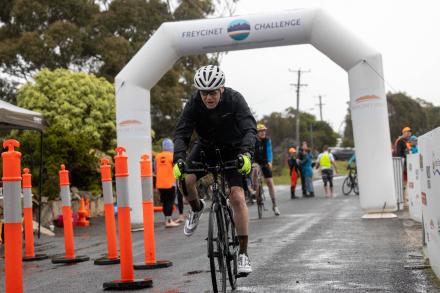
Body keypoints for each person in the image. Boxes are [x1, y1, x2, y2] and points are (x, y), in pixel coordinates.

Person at [173, 65, 256, 275]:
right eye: (203, 93)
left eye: (212, 92)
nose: (208, 97)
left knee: (237, 198)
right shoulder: (193, 103)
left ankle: (244, 254)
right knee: (186, 180)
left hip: (234, 150)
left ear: (221, 89)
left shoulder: (235, 99)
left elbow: (249, 128)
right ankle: (197, 208)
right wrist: (179, 159)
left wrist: (246, 154)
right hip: (206, 147)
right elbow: (182, 133)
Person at [253, 123, 280, 216]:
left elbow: (269, 151)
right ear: (257, 133)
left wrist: (270, 161)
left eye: (264, 131)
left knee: (270, 183)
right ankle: (255, 189)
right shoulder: (253, 140)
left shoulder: (267, 141)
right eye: (261, 131)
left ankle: (275, 205)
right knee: (255, 169)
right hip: (255, 162)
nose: (263, 132)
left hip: (265, 162)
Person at [156, 138, 180, 228]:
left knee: (165, 202)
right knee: (170, 202)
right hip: (170, 183)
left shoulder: (157, 156)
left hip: (160, 184)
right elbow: (176, 170)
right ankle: (169, 221)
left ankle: (167, 220)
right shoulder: (172, 156)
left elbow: (155, 170)